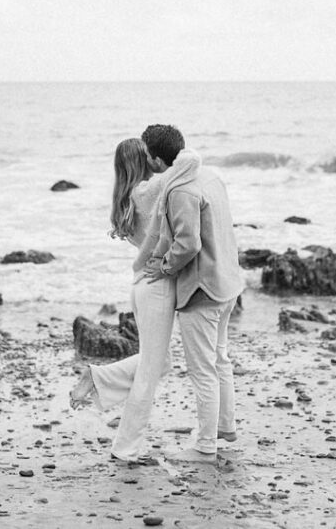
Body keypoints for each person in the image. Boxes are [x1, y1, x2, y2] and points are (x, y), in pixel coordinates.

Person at [69, 137, 201, 463]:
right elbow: (191, 161)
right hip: (156, 288)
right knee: (149, 371)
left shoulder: (127, 197)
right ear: (144, 160)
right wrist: (175, 146)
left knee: (160, 363)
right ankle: (126, 448)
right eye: (149, 156)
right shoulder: (148, 191)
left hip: (144, 285)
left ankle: (97, 377)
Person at [142, 124, 244, 464]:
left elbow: (188, 244)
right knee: (220, 359)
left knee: (203, 370)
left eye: (146, 155)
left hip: (203, 288)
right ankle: (223, 428)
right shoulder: (209, 175)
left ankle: (204, 446)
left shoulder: (179, 190)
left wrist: (165, 267)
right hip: (228, 280)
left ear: (157, 159)